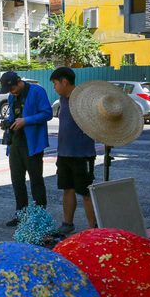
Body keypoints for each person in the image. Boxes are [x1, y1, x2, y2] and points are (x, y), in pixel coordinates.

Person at [0, 71, 53, 227]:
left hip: (33, 144)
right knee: (17, 181)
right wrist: (8, 124)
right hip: (15, 143)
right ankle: (21, 214)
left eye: (12, 88)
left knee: (36, 180)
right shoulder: (11, 96)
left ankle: (39, 216)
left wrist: (26, 121)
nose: (11, 92)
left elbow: (47, 113)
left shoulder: (37, 91)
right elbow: (12, 118)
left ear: (18, 81)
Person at [50, 67, 97, 235]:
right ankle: (67, 223)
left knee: (86, 192)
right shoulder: (62, 100)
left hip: (82, 155)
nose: (54, 87)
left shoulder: (84, 100)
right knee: (67, 188)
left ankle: (94, 229)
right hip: (64, 153)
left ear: (64, 82)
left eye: (55, 83)